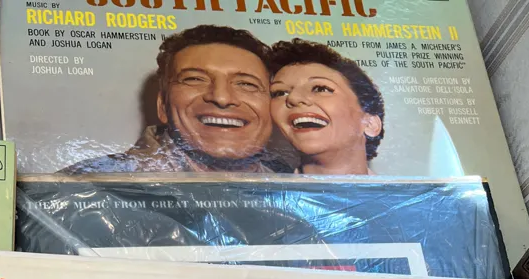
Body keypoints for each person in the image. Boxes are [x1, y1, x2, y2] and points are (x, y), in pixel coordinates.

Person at [67, 26, 289, 175]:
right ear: (162, 106)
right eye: (194, 79)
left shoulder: (295, 181)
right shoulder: (87, 186)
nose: (221, 97)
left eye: (246, 84)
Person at [269, 39, 385, 175]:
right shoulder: (261, 187)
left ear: (370, 124)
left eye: (320, 88)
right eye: (280, 93)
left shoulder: (399, 189)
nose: (293, 98)